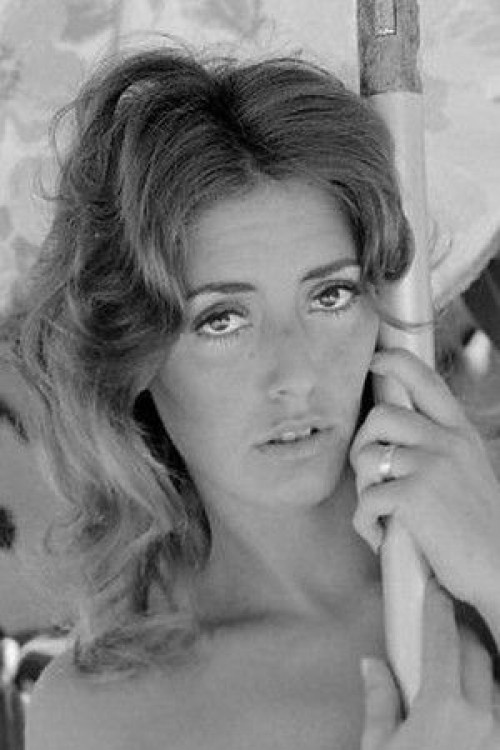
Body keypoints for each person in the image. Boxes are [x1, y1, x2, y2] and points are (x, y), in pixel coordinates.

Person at [2, 43, 500, 750]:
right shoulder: (103, 717)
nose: (294, 374)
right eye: (222, 320)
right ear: (133, 352)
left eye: (330, 295)